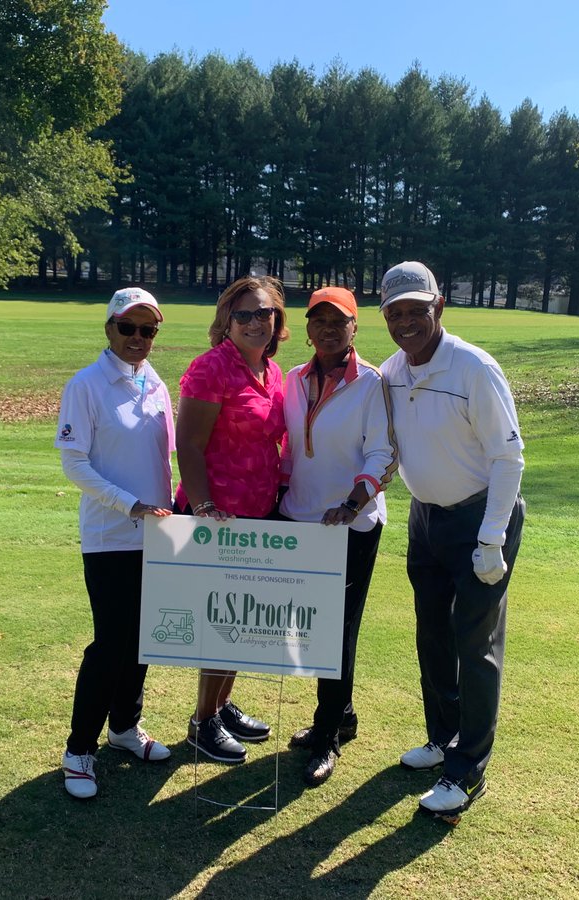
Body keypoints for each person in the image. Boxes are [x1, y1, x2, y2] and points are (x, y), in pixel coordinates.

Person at [378, 261, 526, 823]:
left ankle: (468, 769)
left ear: (439, 306)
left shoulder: (473, 367)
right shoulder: (392, 370)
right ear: (385, 317)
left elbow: (507, 456)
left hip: (480, 519)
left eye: (419, 309)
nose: (409, 321)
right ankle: (442, 737)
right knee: (432, 635)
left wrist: (491, 538)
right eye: (398, 313)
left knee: (476, 643)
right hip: (426, 518)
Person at [55, 287, 176, 800]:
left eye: (148, 330)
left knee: (145, 639)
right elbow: (74, 464)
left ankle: (125, 728)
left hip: (158, 534)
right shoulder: (85, 385)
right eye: (128, 328)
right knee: (111, 644)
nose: (138, 338)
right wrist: (130, 505)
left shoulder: (157, 385)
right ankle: (79, 748)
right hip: (110, 537)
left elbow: (167, 459)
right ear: (109, 328)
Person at [278, 286, 397, 787]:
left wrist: (352, 504)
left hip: (350, 526)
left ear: (354, 328)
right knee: (305, 629)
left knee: (337, 633)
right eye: (318, 321)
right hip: (297, 521)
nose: (328, 329)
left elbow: (381, 455)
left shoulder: (371, 383)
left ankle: (327, 734)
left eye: (338, 321)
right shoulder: (291, 378)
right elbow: (284, 448)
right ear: (307, 328)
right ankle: (341, 714)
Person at [175, 274, 289, 763]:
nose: (254, 322)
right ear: (226, 321)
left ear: (277, 319)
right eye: (243, 314)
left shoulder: (273, 371)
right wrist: (202, 508)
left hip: (259, 514)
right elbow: (189, 445)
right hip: (214, 516)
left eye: (264, 312)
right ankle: (202, 722)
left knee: (243, 620)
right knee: (222, 622)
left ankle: (220, 705)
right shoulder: (210, 369)